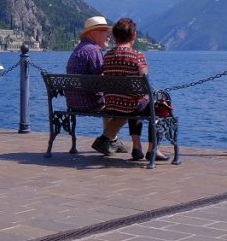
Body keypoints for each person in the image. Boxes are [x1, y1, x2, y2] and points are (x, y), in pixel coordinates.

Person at [101, 17, 169, 162]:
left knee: (137, 100)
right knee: (155, 104)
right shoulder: (137, 56)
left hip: (113, 106)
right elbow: (145, 81)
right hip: (131, 105)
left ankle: (137, 147)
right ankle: (153, 150)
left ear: (115, 37)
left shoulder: (107, 57)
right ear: (133, 36)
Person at [65, 16, 128, 155]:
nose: (109, 35)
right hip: (88, 102)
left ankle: (113, 140)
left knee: (108, 103)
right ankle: (107, 140)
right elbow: (102, 81)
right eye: (105, 31)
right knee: (127, 106)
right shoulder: (93, 50)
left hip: (73, 102)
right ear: (94, 33)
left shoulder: (80, 49)